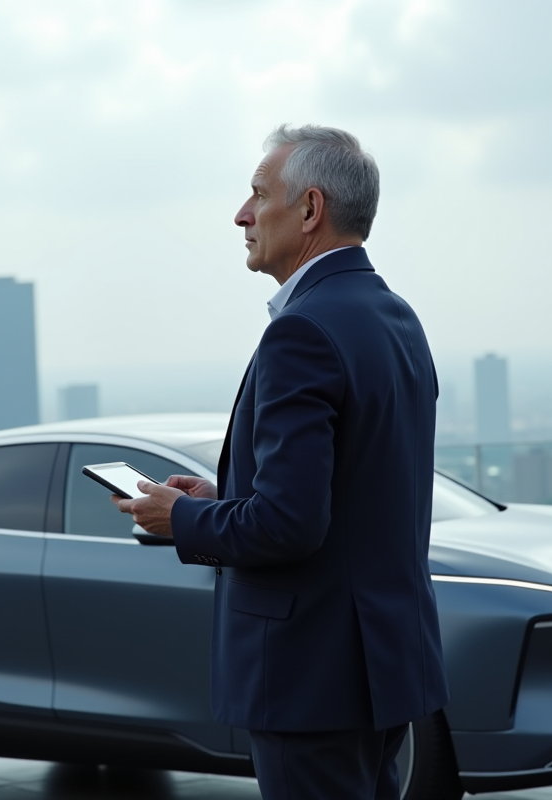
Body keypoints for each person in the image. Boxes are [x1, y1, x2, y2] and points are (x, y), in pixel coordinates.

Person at [114, 124, 448, 800]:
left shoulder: (302, 331)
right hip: (385, 662)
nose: (241, 215)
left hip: (311, 677)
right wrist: (221, 494)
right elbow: (361, 487)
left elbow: (291, 525)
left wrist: (184, 520)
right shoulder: (394, 317)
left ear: (310, 209)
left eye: (257, 194)